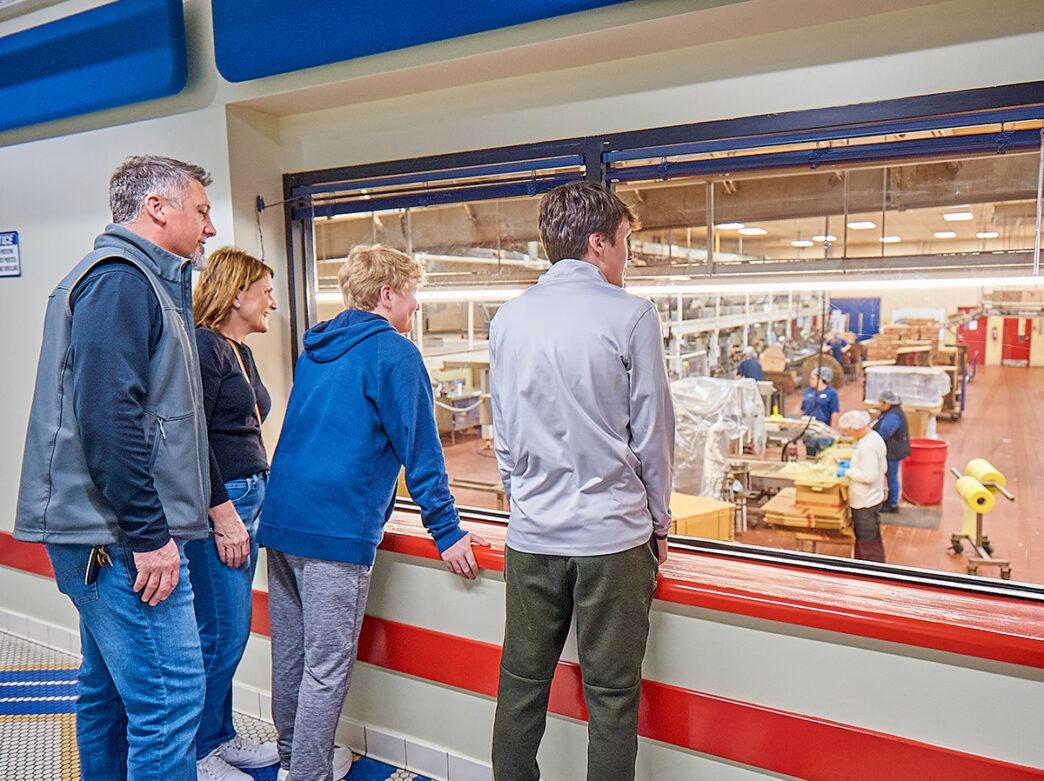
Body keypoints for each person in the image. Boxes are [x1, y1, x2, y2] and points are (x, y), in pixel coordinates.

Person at [14, 155, 216, 779]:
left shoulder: (139, 282)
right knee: (170, 701)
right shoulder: (122, 280)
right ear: (157, 208)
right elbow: (108, 420)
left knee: (106, 692)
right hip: (121, 540)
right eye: (202, 211)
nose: (209, 228)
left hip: (110, 534)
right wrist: (151, 536)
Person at [257, 244, 489, 781]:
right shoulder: (394, 353)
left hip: (284, 517)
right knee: (326, 668)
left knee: (290, 655)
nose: (414, 310)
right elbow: (421, 449)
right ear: (388, 294)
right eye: (412, 298)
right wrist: (447, 530)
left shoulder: (317, 347)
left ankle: (294, 759)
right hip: (336, 529)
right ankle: (309, 775)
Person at [489, 181, 674, 781]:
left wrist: (526, 501)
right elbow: (653, 436)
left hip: (533, 535)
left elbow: (505, 434)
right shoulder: (632, 314)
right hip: (612, 540)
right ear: (598, 243)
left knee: (520, 685)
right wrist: (658, 522)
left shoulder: (509, 319)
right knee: (613, 698)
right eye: (624, 243)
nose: (626, 257)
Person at [189, 247, 280, 779]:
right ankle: (199, 753)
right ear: (237, 293)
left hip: (250, 495)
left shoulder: (239, 351)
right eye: (265, 290)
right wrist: (221, 510)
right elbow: (191, 436)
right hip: (224, 505)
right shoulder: (204, 346)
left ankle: (219, 738)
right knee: (222, 633)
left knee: (231, 630)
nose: (272, 301)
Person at [836, 409, 888, 562]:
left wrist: (848, 472)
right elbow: (880, 468)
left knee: (868, 543)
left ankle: (873, 574)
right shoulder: (873, 438)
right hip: (871, 498)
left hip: (866, 502)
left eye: (848, 431)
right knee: (865, 540)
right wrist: (853, 465)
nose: (849, 435)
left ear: (856, 428)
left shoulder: (868, 446)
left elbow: (869, 476)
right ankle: (861, 569)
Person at [871, 389, 910, 514]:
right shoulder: (889, 412)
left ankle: (893, 504)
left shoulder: (893, 415)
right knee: (889, 475)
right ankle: (888, 501)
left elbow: (884, 433)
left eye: (881, 402)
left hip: (893, 451)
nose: (879, 405)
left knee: (891, 476)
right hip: (890, 450)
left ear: (888, 403)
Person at [801, 366, 840, 457]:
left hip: (824, 429)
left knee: (824, 455)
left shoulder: (831, 393)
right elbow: (802, 409)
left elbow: (835, 412)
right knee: (810, 455)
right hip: (810, 429)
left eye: (813, 378)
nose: (810, 380)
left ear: (821, 379)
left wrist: (832, 431)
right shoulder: (808, 391)